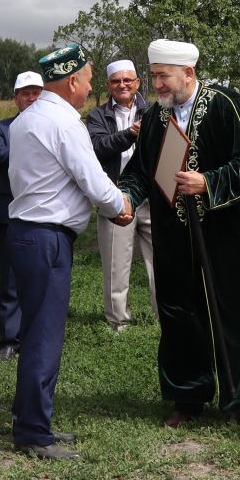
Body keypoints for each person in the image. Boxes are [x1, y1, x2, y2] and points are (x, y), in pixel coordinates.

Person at [118, 40, 240, 426]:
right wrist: (126, 198)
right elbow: (141, 171)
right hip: (174, 236)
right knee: (180, 314)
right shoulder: (157, 119)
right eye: (154, 75)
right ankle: (187, 397)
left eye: (163, 76)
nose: (156, 84)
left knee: (233, 313)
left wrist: (207, 182)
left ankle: (239, 399)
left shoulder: (226, 104)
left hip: (227, 235)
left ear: (188, 73)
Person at [6, 44, 132, 460]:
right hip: (46, 238)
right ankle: (33, 433)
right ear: (73, 80)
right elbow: (92, 179)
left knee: (38, 330)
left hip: (27, 233)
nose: (92, 86)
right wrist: (121, 206)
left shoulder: (28, 118)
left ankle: (32, 418)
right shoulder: (64, 122)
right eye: (90, 78)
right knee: (43, 335)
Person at [85, 59, 156, 331]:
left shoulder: (154, 111)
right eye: (117, 81)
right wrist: (129, 134)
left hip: (152, 197)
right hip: (115, 198)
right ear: (109, 86)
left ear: (138, 83)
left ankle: (165, 317)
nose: (123, 85)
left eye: (128, 80)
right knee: (115, 264)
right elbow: (99, 147)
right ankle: (118, 322)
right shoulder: (97, 116)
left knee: (161, 262)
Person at [0, 70, 44, 362]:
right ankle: (9, 338)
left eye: (37, 93)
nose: (32, 98)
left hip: (45, 213)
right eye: (25, 93)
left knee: (41, 278)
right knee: (9, 278)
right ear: (16, 98)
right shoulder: (2, 128)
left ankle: (36, 336)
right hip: (9, 214)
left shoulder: (53, 126)